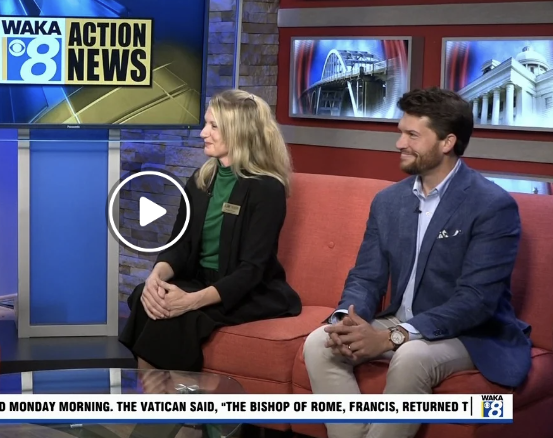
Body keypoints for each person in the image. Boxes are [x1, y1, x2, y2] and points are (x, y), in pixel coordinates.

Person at [302, 87, 532, 438]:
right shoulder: (388, 201)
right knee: (320, 342)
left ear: (447, 142)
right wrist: (345, 321)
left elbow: (475, 301)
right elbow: (366, 276)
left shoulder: (491, 205)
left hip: (469, 333)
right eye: (401, 133)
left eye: (412, 135)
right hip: (402, 319)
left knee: (411, 357)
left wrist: (393, 337)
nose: (400, 143)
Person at [118, 89, 302, 372]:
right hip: (201, 279)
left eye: (214, 126)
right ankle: (153, 395)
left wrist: (190, 301)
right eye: (206, 123)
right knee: (148, 297)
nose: (203, 133)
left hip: (248, 291)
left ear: (239, 132)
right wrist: (155, 277)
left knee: (176, 317)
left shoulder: (267, 189)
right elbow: (180, 246)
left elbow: (252, 270)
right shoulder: (200, 180)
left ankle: (168, 397)